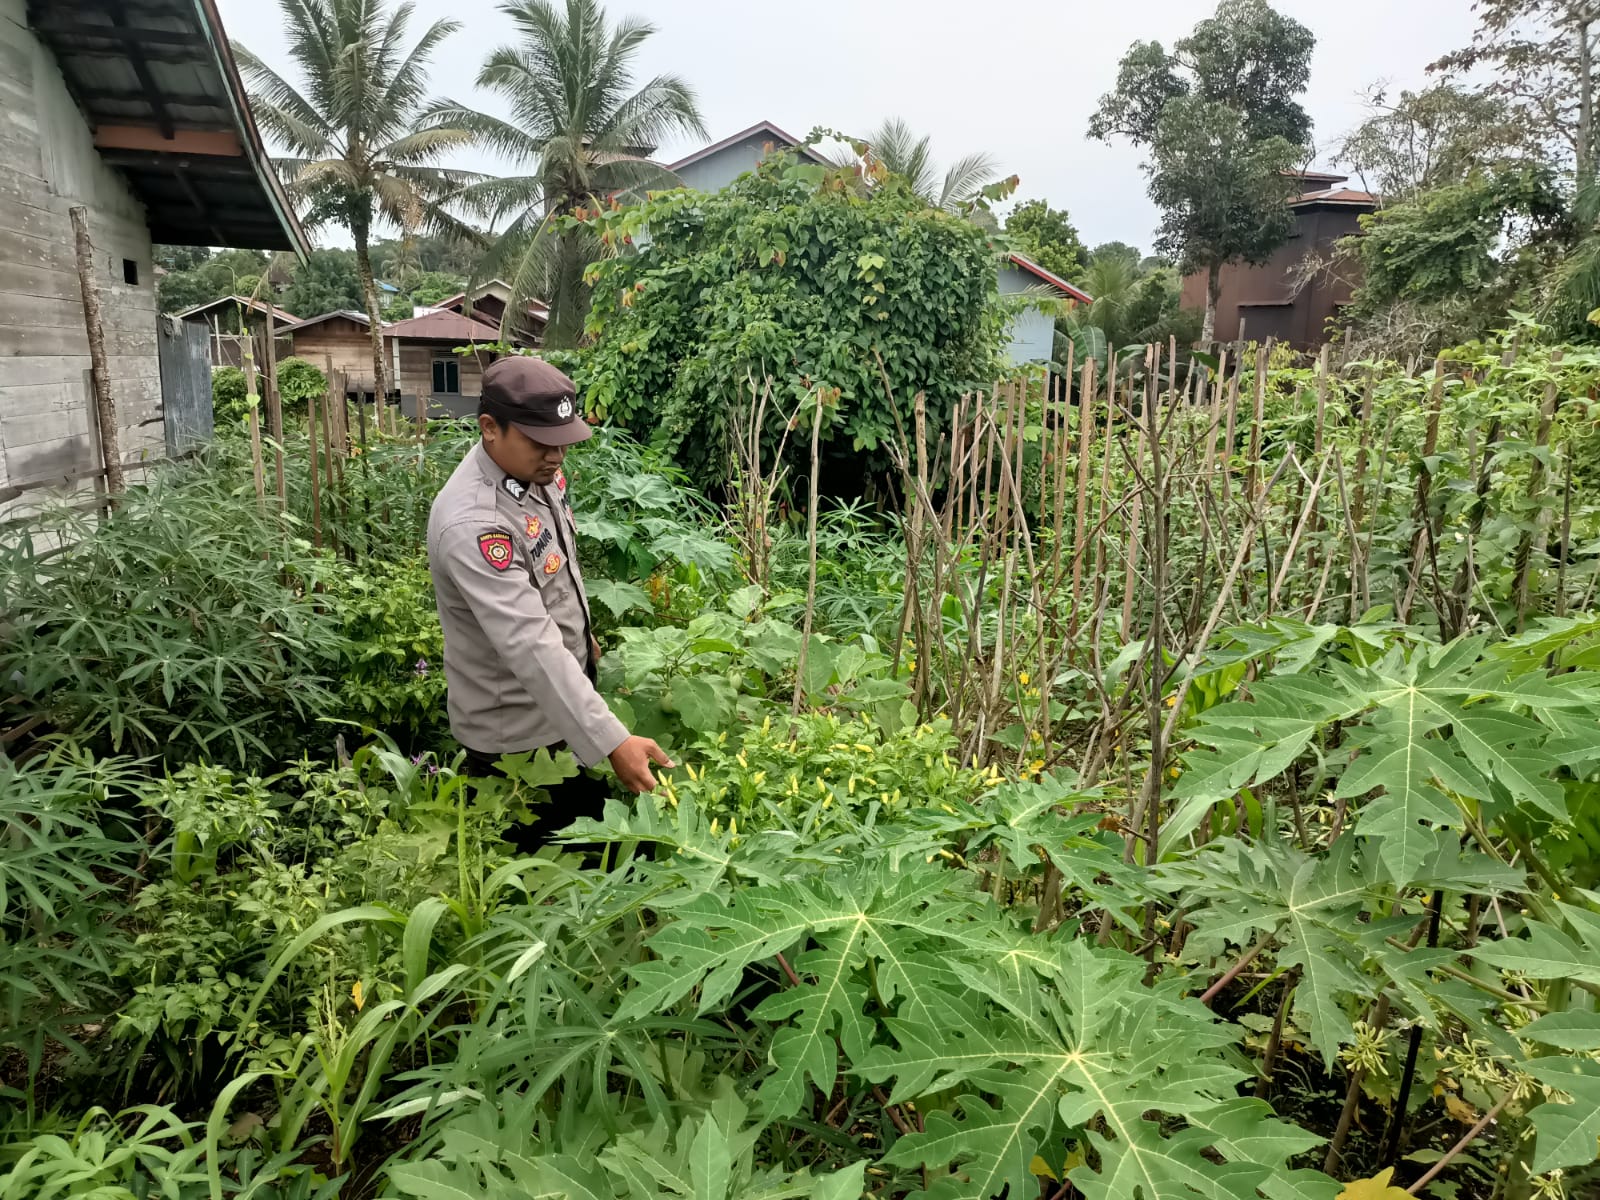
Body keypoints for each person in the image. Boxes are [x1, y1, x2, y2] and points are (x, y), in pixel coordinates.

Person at [427, 355, 672, 846]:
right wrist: (614, 741)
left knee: (597, 853)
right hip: (519, 746)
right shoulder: (475, 524)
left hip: (562, 714)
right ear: (490, 428)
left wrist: (582, 635)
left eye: (562, 441)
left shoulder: (533, 473)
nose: (557, 456)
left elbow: (555, 569)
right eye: (541, 442)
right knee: (556, 876)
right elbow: (529, 644)